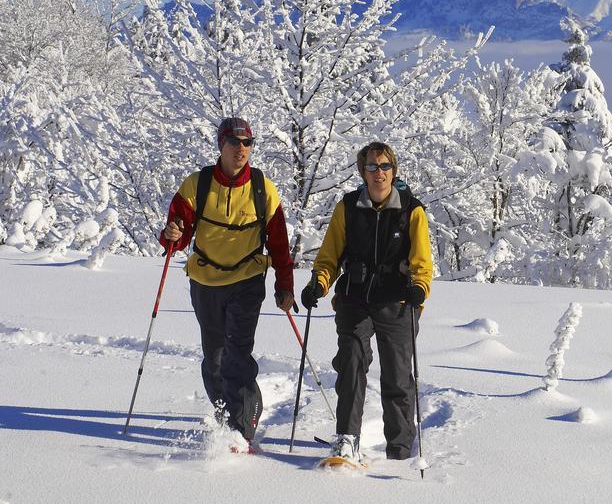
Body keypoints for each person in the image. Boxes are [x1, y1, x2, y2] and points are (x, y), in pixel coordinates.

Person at [160, 117, 295, 451]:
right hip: (205, 281)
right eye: (234, 143)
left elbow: (278, 242)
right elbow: (176, 236)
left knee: (238, 353)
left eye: (247, 143)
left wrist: (285, 285)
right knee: (215, 356)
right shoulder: (197, 185)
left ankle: (241, 429)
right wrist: (171, 235)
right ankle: (226, 414)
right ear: (221, 145)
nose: (241, 149)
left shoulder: (263, 188)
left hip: (247, 280)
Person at [301, 141, 432, 463]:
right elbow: (329, 255)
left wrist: (419, 288)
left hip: (398, 302)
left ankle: (399, 451)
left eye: (384, 166)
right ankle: (346, 439)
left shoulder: (411, 210)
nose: (378, 173)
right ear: (363, 172)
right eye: (371, 167)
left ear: (394, 170)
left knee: (398, 376)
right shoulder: (347, 207)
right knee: (351, 361)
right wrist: (318, 284)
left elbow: (422, 262)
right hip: (355, 299)